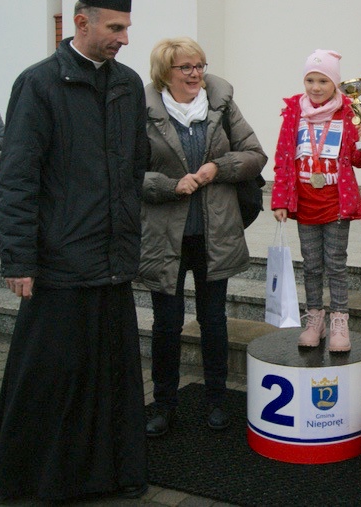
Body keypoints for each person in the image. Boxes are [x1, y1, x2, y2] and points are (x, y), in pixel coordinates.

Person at [0, 0, 150, 500]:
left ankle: (116, 472)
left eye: (127, 27)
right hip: (60, 262)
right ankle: (43, 479)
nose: (125, 39)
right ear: (82, 21)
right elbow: (16, 179)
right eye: (115, 28)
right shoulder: (38, 84)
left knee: (113, 377)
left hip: (112, 261)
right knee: (54, 376)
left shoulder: (128, 85)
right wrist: (18, 259)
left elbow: (133, 168)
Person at [138, 37, 267, 437]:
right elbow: (125, 171)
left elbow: (255, 154)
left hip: (215, 234)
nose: (196, 74)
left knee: (213, 321)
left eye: (200, 65)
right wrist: (168, 186)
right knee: (167, 324)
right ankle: (164, 404)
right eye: (186, 67)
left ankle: (216, 401)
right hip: (165, 238)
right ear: (165, 73)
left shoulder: (221, 104)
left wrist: (218, 168)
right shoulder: (142, 110)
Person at [271, 50, 361, 352]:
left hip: (336, 202)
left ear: (335, 83)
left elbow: (358, 160)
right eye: (310, 80)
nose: (315, 87)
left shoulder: (348, 113)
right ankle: (315, 319)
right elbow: (283, 158)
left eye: (323, 81)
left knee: (335, 264)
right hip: (306, 204)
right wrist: (280, 200)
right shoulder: (294, 113)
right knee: (311, 265)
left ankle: (340, 319)